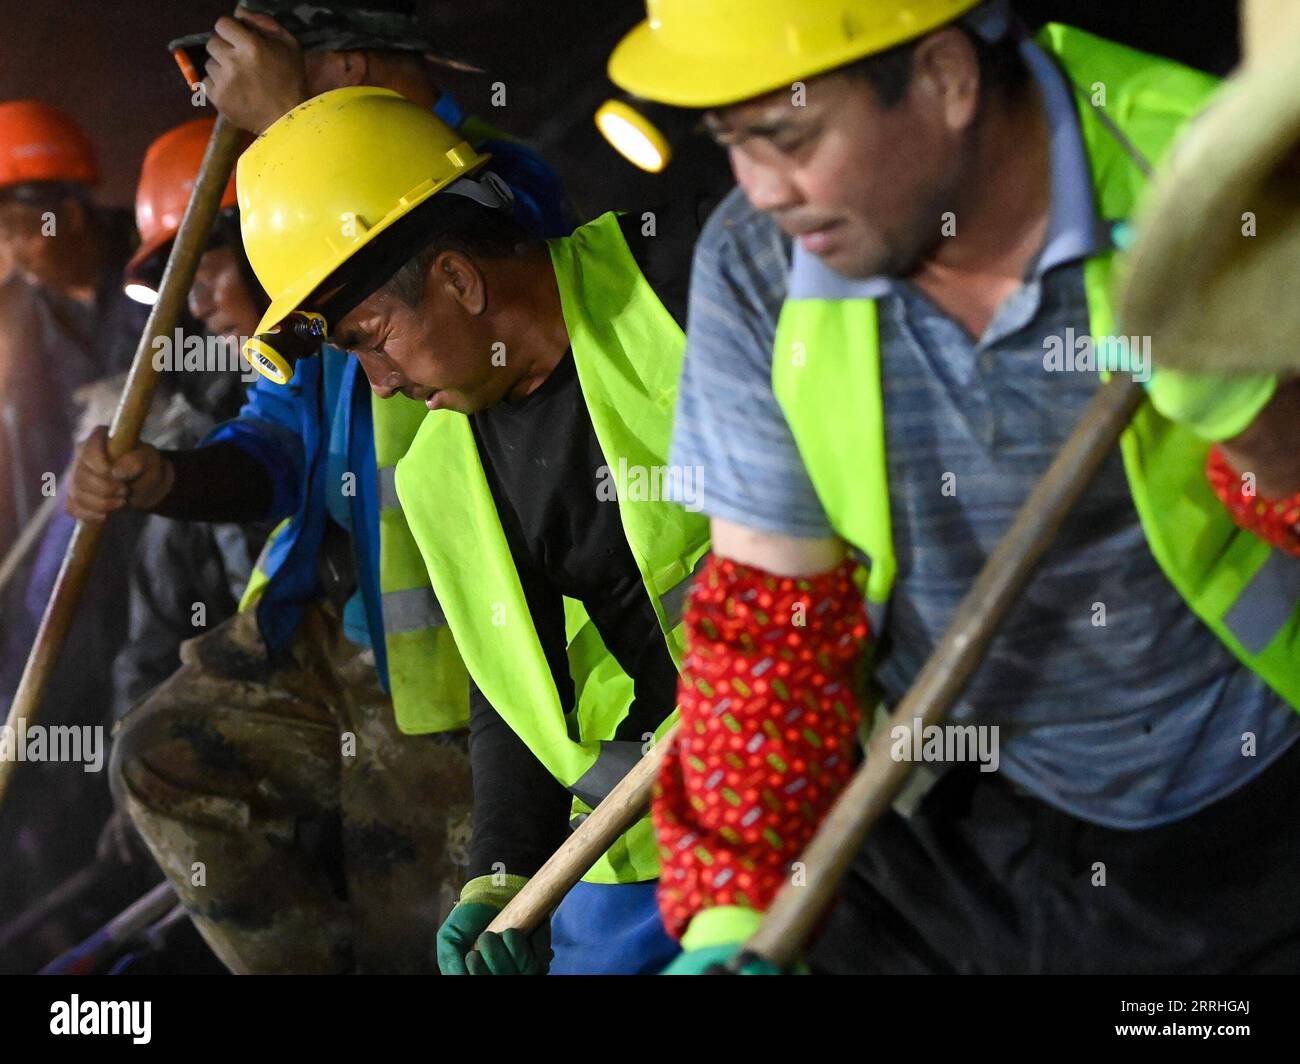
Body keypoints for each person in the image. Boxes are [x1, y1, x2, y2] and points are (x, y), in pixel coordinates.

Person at [605, 0, 1300, 972]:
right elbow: (772, 619)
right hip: (965, 798)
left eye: (787, 135)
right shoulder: (758, 264)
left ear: (944, 76)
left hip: (1238, 797)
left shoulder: (1203, 175)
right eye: (731, 141)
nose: (759, 188)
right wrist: (733, 908)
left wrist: (1258, 397)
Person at [70, 6, 574, 974]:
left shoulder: (483, 183)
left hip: (464, 664)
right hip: (346, 628)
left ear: (341, 62)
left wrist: (298, 117)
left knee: (423, 934)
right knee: (163, 750)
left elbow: (506, 249)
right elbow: (283, 432)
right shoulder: (312, 210)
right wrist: (167, 476)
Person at [235, 87, 707, 974]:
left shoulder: (677, 279)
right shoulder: (439, 472)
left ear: (457, 277)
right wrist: (499, 872)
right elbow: (511, 684)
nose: (376, 383)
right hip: (641, 834)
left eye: (372, 338)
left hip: (818, 745)